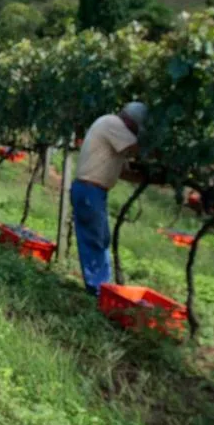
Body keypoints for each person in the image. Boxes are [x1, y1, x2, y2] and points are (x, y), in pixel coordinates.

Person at [70, 102, 147, 295]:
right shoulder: (113, 124)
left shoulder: (114, 133)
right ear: (130, 120)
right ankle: (98, 290)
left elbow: (122, 171)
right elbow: (138, 149)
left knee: (100, 239)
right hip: (90, 190)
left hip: (93, 191)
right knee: (94, 240)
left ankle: (103, 287)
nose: (136, 132)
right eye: (137, 128)